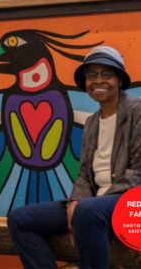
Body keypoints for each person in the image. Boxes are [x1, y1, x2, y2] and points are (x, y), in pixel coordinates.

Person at [8, 46, 141, 269]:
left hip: (131, 204)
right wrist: (75, 202)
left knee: (89, 211)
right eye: (92, 75)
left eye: (107, 74)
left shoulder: (137, 111)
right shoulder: (91, 122)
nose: (98, 80)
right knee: (20, 219)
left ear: (119, 79)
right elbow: (83, 176)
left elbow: (138, 173)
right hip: (92, 207)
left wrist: (86, 206)